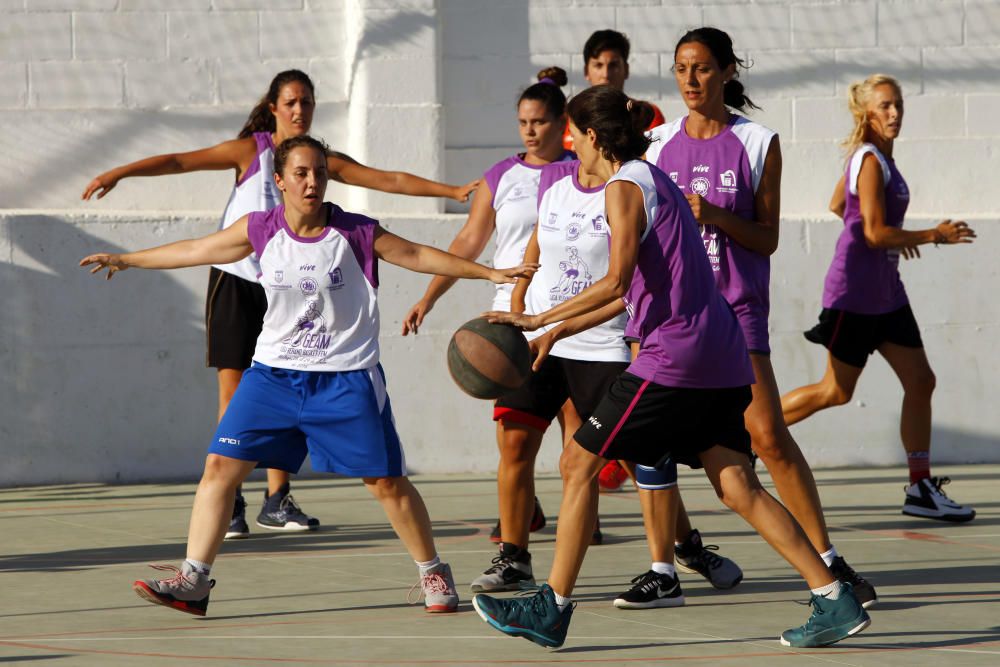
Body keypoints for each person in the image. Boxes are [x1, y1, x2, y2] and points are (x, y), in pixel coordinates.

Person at [472, 85, 870, 650]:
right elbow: (630, 292)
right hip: (722, 352)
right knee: (736, 484)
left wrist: (538, 316)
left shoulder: (624, 186)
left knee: (578, 460)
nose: (570, 146)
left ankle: (552, 607)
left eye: (574, 135)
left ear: (591, 136)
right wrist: (558, 330)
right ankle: (834, 596)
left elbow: (613, 280)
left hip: (676, 354)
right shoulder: (654, 179)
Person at [80, 135, 538, 617]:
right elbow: (197, 248)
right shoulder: (260, 228)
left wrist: (488, 274)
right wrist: (128, 259)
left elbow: (417, 254)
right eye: (300, 173)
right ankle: (194, 578)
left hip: (345, 378)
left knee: (384, 483)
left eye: (319, 171)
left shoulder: (356, 231)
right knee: (219, 468)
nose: (312, 181)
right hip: (273, 376)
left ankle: (432, 571)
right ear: (278, 180)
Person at [82, 70, 478, 538]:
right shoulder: (251, 150)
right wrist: (120, 172)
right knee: (240, 394)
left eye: (307, 102)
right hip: (239, 279)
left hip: (300, 287)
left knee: (298, 391)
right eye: (290, 102)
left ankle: (277, 497)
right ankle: (229, 501)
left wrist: (449, 192)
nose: (299, 110)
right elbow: (177, 161)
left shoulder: (321, 161)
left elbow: (386, 178)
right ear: (273, 107)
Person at [618, 27, 876, 609]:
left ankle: (828, 559)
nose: (690, 79)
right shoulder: (656, 145)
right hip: (665, 315)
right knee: (650, 443)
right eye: (682, 67)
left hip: (735, 310)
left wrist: (711, 214)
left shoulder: (758, 142)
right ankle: (662, 569)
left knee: (767, 436)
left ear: (728, 71)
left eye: (703, 68)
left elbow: (768, 237)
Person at [781, 74, 977, 522]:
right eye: (885, 106)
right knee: (835, 391)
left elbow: (840, 206)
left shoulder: (874, 158)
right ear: (867, 113)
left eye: (899, 105)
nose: (894, 113)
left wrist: (891, 235)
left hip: (887, 296)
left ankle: (920, 487)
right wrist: (932, 235)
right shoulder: (868, 160)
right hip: (854, 296)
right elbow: (870, 231)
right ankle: (754, 433)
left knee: (921, 381)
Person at [561, 30, 665, 154]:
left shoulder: (646, 115)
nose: (606, 74)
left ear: (626, 69)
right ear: (586, 71)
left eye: (613, 65)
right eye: (598, 65)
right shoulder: (565, 119)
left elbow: (656, 161)